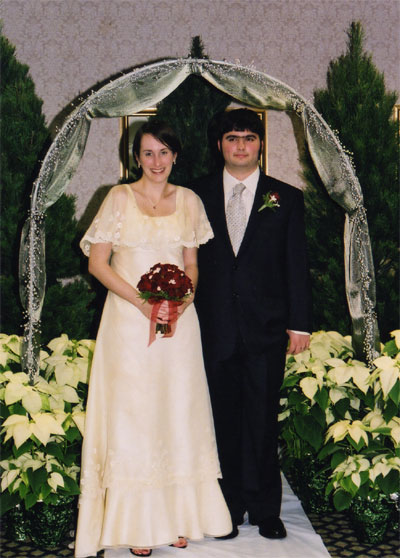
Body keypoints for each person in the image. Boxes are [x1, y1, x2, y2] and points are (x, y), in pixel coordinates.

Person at [74, 121, 232, 557]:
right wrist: (144, 304)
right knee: (135, 415)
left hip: (179, 327)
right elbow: (99, 265)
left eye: (164, 152)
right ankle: (137, 525)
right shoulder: (118, 199)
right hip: (128, 326)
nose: (157, 162)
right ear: (136, 158)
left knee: (177, 413)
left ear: (176, 156)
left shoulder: (190, 201)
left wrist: (182, 300)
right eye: (148, 153)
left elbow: (192, 264)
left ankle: (178, 517)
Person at [191, 108, 312, 541]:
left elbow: (296, 264)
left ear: (260, 144)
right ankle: (227, 507)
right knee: (221, 419)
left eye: (248, 138)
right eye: (231, 138)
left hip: (266, 328)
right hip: (213, 326)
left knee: (262, 419)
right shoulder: (196, 195)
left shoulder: (287, 197)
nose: (240, 146)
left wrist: (300, 323)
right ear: (219, 144)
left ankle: (266, 510)